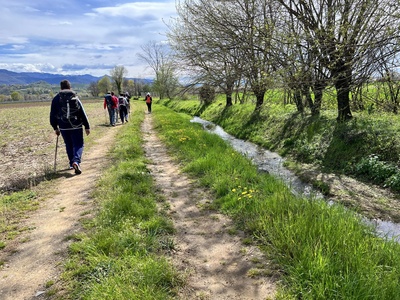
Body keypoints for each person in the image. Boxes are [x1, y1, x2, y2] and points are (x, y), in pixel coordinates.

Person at [50, 79, 90, 174]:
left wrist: (55, 127)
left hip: (63, 126)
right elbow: (82, 112)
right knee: (78, 144)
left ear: (61, 87)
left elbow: (52, 114)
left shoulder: (56, 99)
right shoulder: (75, 97)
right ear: (69, 87)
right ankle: (76, 161)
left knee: (68, 145)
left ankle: (71, 163)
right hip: (76, 125)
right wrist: (87, 126)